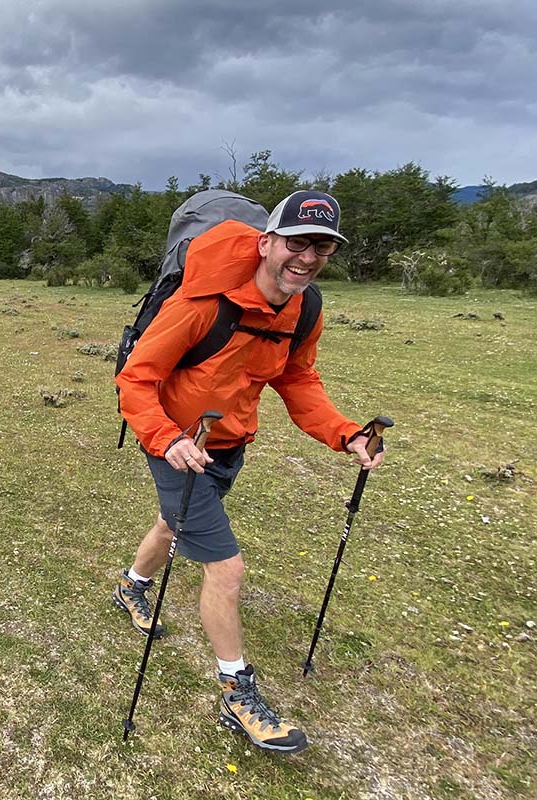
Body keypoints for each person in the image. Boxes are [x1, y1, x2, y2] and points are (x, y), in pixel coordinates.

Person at [114, 191, 386, 754]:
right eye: (297, 242)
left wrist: (347, 433)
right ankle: (238, 692)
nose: (308, 258)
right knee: (226, 567)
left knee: (175, 523)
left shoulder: (304, 309)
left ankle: (130, 586)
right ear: (267, 242)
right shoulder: (200, 305)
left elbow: (298, 380)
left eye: (323, 247)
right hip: (177, 445)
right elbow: (136, 379)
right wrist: (166, 440)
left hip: (229, 443)